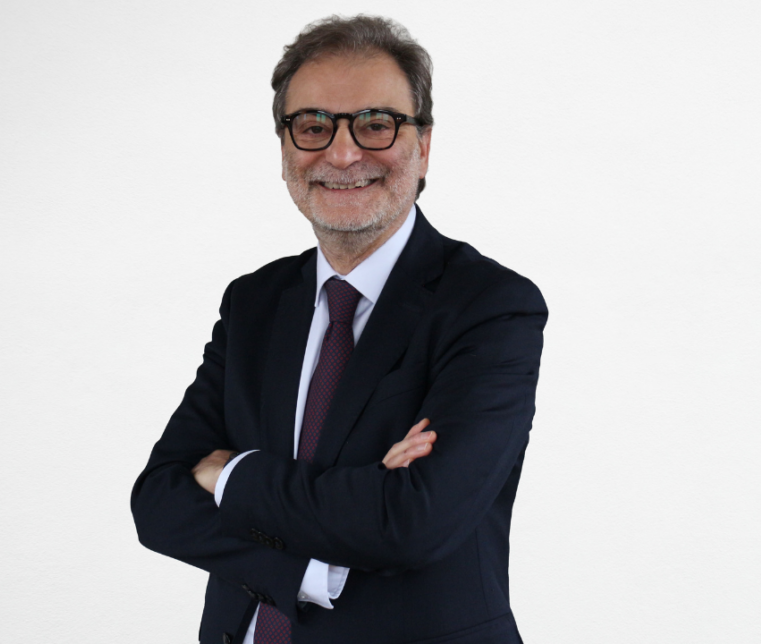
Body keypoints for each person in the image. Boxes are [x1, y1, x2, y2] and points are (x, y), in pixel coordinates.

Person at [131, 15, 547, 644]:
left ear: (423, 145)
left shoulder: (490, 307)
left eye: (376, 124)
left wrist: (230, 474)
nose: (343, 153)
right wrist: (310, 564)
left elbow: (413, 522)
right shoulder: (254, 302)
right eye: (313, 126)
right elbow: (158, 502)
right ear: (284, 148)